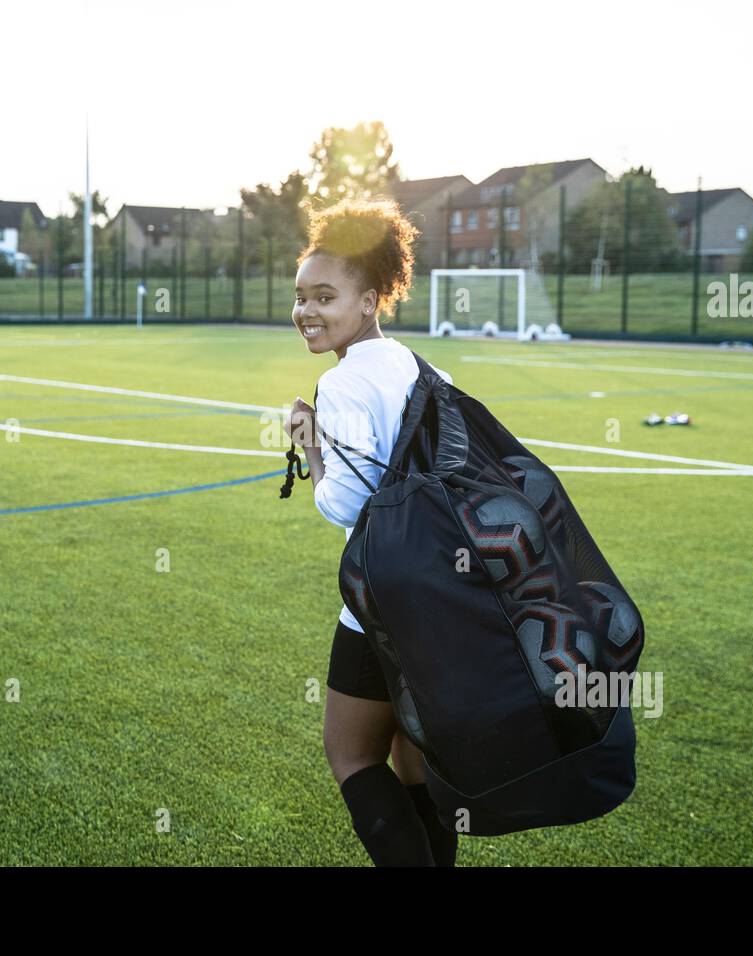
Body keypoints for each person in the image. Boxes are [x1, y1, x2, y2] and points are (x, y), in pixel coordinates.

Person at [283, 197, 458, 867]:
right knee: (415, 767)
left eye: (325, 296)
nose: (306, 312)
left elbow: (347, 507)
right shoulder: (423, 368)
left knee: (352, 757)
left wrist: (313, 446)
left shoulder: (349, 384)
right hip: (446, 599)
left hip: (382, 600)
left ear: (370, 299)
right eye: (300, 297)